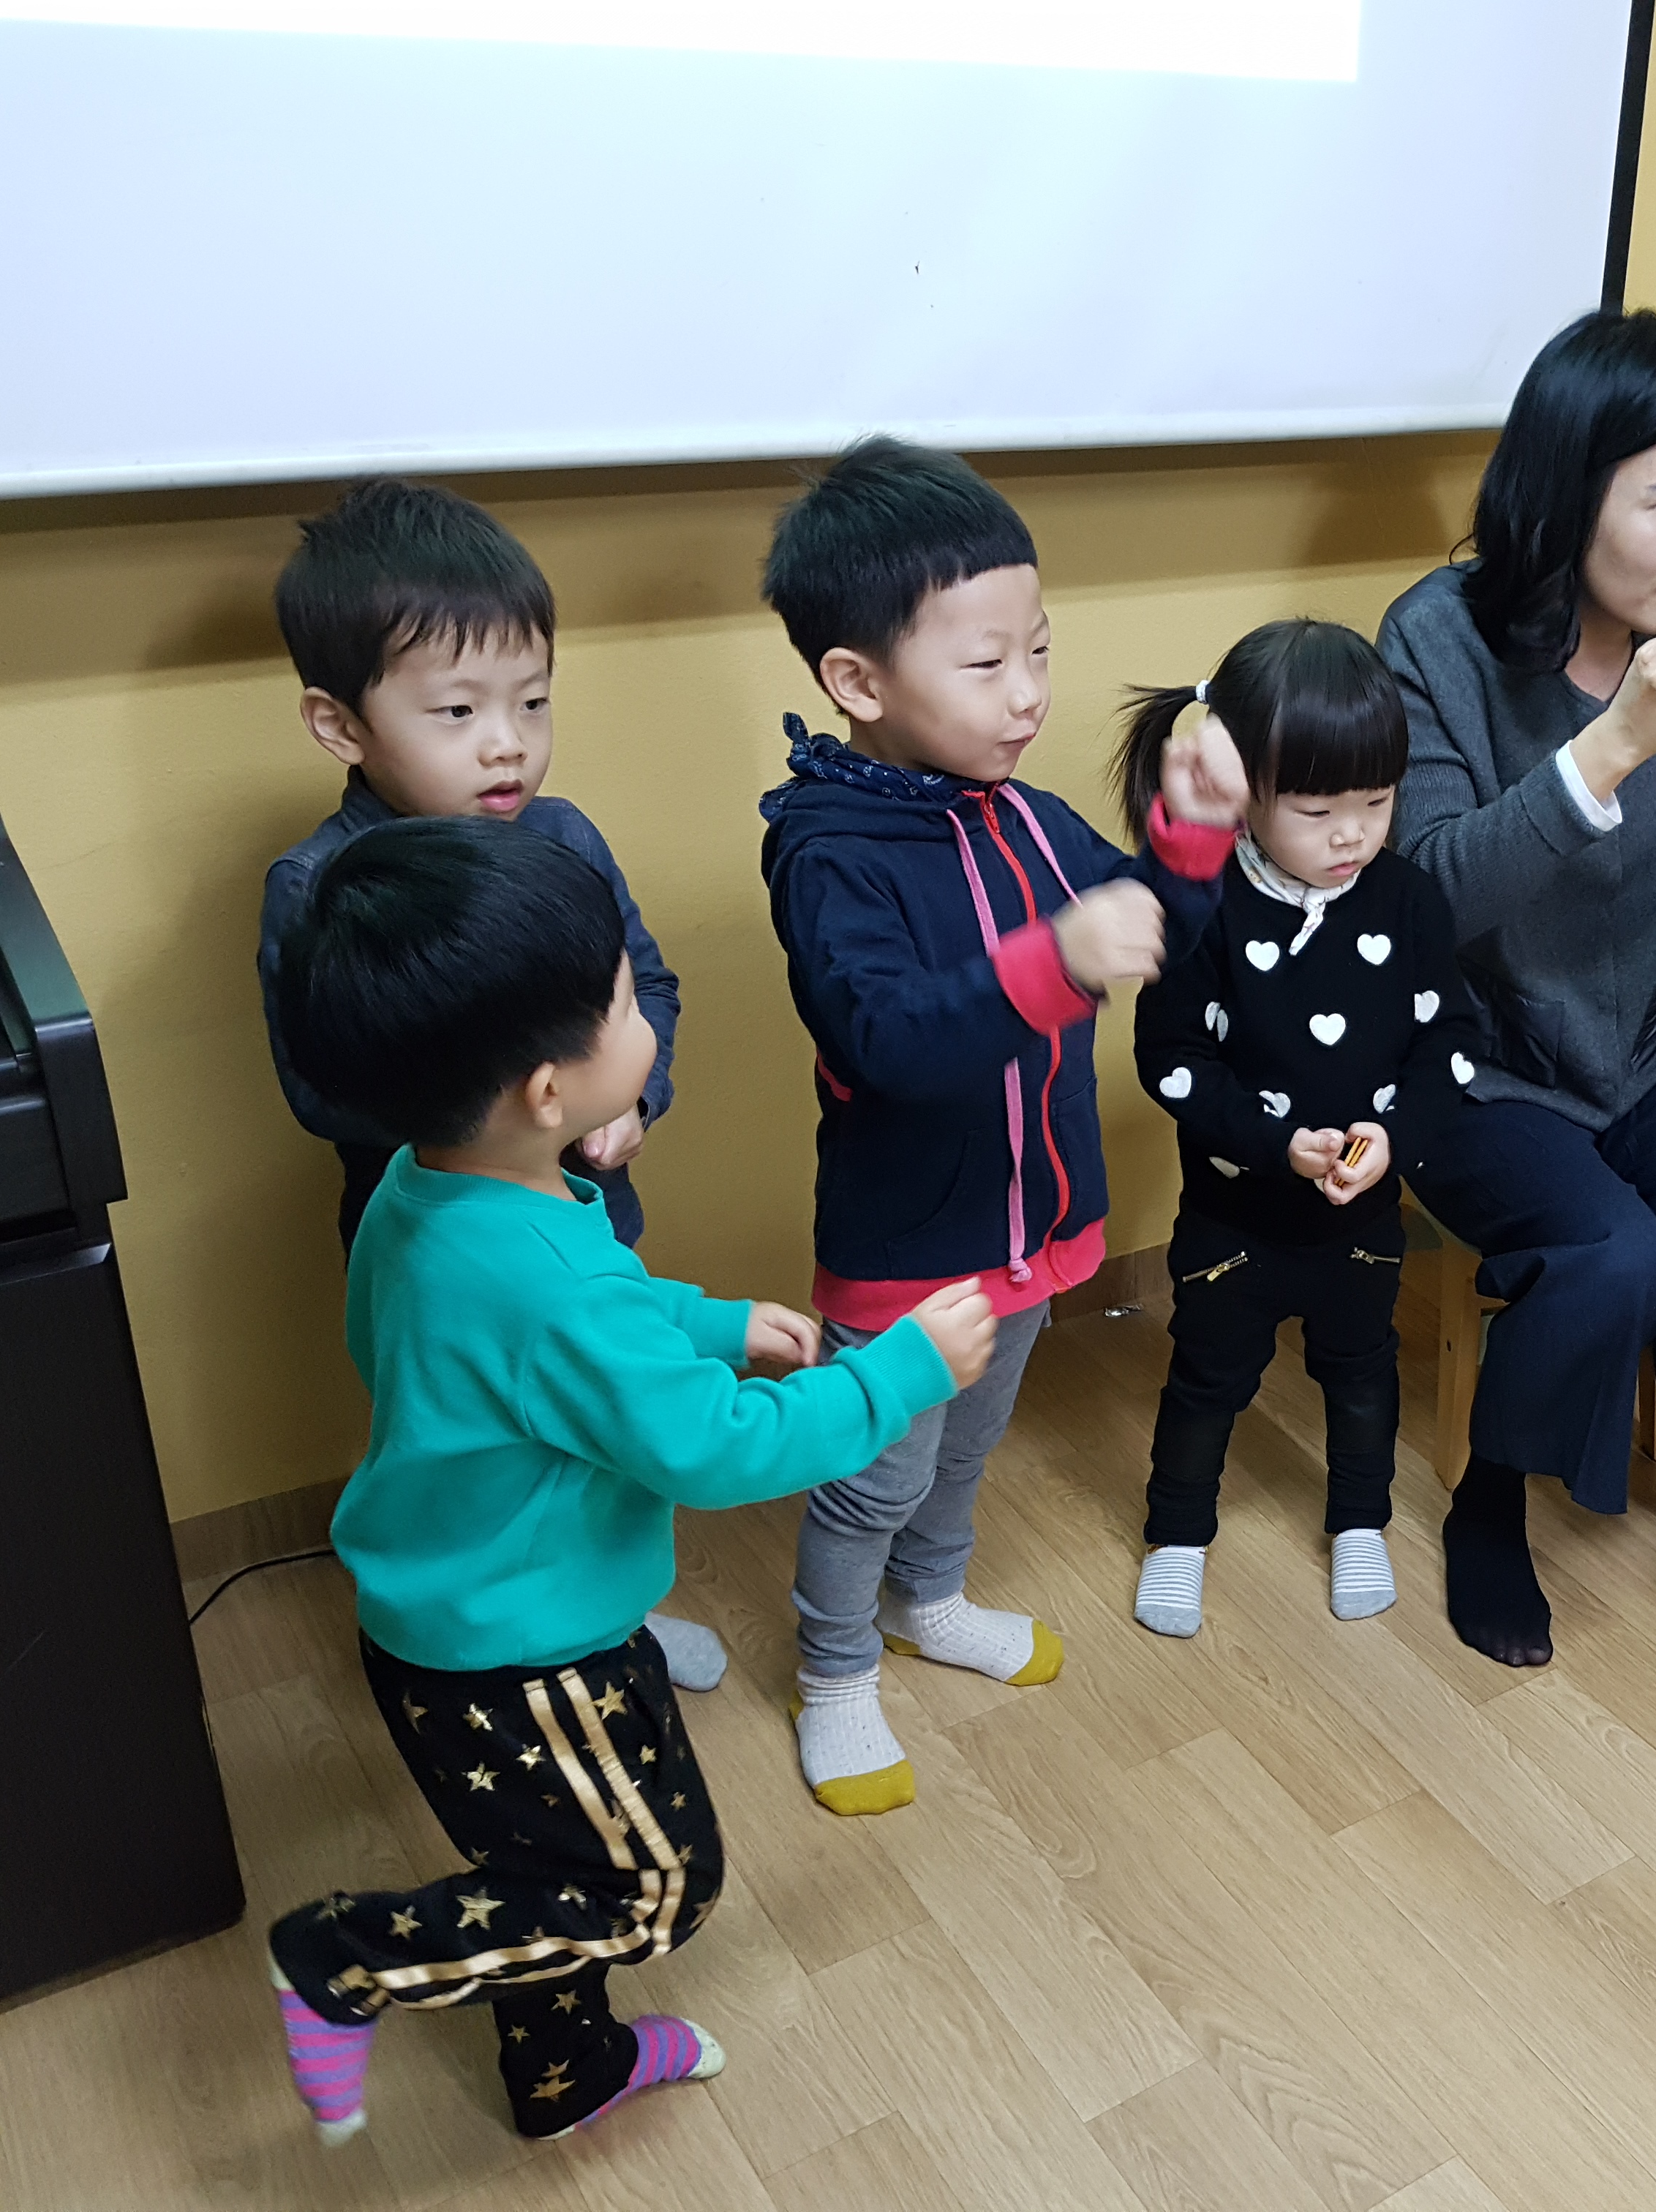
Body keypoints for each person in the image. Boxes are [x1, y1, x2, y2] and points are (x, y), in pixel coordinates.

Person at [261, 819, 996, 2148]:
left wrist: (710, 1322)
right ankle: (347, 1959)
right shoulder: (548, 1281)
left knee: (540, 1866)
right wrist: (900, 1374)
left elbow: (561, 1339)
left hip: (446, 1619)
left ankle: (569, 2070)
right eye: (619, 997)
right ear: (550, 1088)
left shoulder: (422, 1190)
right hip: (531, 1657)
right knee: (647, 1890)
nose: (640, 1010)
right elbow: (718, 1448)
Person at [757, 437, 1246, 1812]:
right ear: (858, 682)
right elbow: (888, 1037)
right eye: (985, 664)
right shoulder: (824, 849)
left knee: (969, 1444)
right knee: (875, 1469)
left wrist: (1191, 843)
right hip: (908, 1246)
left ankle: (931, 1596)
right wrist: (1056, 962)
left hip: (1035, 1224)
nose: (1029, 691)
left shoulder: (1023, 815)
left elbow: (1147, 929)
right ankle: (834, 1667)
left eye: (1038, 649)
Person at [1379, 307, 1656, 1671]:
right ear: (1569, 495)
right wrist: (1607, 750)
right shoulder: (1437, 640)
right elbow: (1426, 901)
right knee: (1614, 1257)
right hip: (1477, 1062)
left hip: (1651, 1046)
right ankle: (1490, 1498)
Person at [255, 479, 727, 1692]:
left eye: (532, 700)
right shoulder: (323, 888)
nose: (507, 741)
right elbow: (317, 1085)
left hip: (584, 1211)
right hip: (441, 1251)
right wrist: (503, 1108)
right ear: (340, 723)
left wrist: (633, 1100)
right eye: (458, 710)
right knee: (480, 1452)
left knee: (605, 1415)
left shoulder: (563, 839)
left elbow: (647, 984)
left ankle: (614, 1614)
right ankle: (481, 1636)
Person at [1117, 620, 1486, 1637]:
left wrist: (1391, 1136)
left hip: (1360, 1218)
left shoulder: (1408, 900)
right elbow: (1172, 1061)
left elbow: (1452, 1042)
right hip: (1233, 1216)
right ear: (1241, 792)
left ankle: (1360, 1521)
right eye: (1318, 811)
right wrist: (1275, 1145)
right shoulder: (1202, 907)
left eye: (1377, 802)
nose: (1352, 835)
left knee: (1362, 1373)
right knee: (1207, 1379)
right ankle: (1178, 1534)